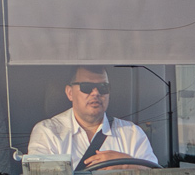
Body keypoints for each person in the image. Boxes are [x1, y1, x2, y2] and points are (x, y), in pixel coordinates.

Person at [26, 65, 157, 168]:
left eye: (103, 87)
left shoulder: (132, 133)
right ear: (70, 92)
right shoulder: (48, 132)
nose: (96, 93)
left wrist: (126, 164)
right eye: (87, 87)